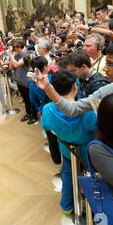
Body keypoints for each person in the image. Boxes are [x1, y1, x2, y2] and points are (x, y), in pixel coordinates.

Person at [42, 70, 97, 215]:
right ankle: (96, 206)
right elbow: (96, 130)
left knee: (68, 175)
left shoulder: (47, 109)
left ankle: (67, 206)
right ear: (75, 86)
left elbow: (47, 127)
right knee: (93, 177)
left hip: (67, 149)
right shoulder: (89, 111)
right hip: (89, 152)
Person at [7, 40, 37, 124]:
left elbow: (16, 64)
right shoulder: (16, 56)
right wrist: (11, 57)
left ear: (18, 47)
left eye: (14, 47)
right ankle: (28, 114)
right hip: (20, 81)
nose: (13, 49)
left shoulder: (28, 53)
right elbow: (11, 67)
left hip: (28, 81)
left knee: (31, 99)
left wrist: (10, 55)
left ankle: (34, 116)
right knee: (25, 99)